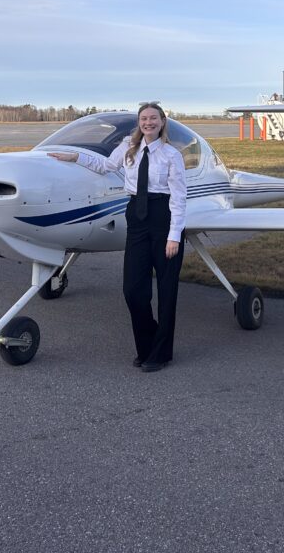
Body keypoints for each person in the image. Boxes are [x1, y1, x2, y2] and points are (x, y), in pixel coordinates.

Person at [48, 103, 187, 372]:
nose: (148, 122)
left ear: (162, 122)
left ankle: (160, 354)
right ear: (140, 122)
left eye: (153, 118)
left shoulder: (172, 155)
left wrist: (174, 236)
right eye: (144, 119)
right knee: (133, 290)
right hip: (136, 216)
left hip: (163, 219)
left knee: (167, 292)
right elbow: (105, 165)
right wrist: (75, 158)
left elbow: (179, 198)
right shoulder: (128, 148)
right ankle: (148, 345)